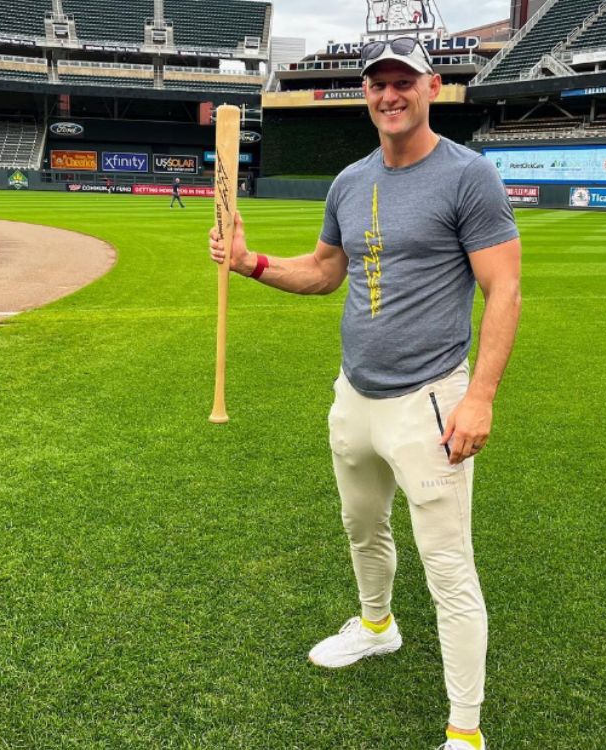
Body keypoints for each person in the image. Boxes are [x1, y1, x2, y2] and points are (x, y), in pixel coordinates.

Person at [209, 36, 521, 750]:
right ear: (367, 95)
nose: (389, 95)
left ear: (430, 87)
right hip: (355, 397)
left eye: (402, 82)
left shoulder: (468, 176)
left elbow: (503, 288)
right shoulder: (350, 181)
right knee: (362, 530)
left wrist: (480, 397)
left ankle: (464, 732)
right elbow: (323, 272)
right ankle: (377, 627)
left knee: (449, 569)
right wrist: (250, 261)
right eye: (377, 84)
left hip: (430, 401)